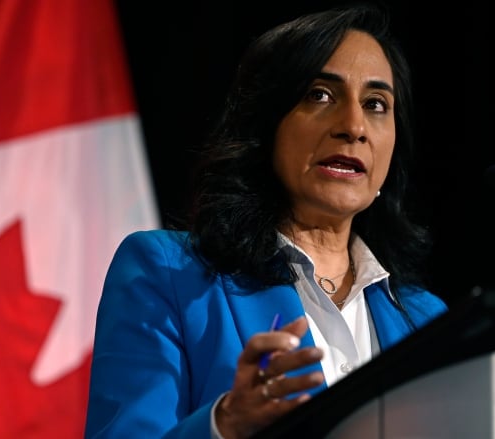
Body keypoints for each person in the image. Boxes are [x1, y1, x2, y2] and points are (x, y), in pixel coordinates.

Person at [84, 3, 448, 438]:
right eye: (320, 95)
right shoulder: (168, 273)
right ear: (265, 123)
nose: (354, 126)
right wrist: (227, 424)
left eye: (375, 104)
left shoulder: (426, 320)